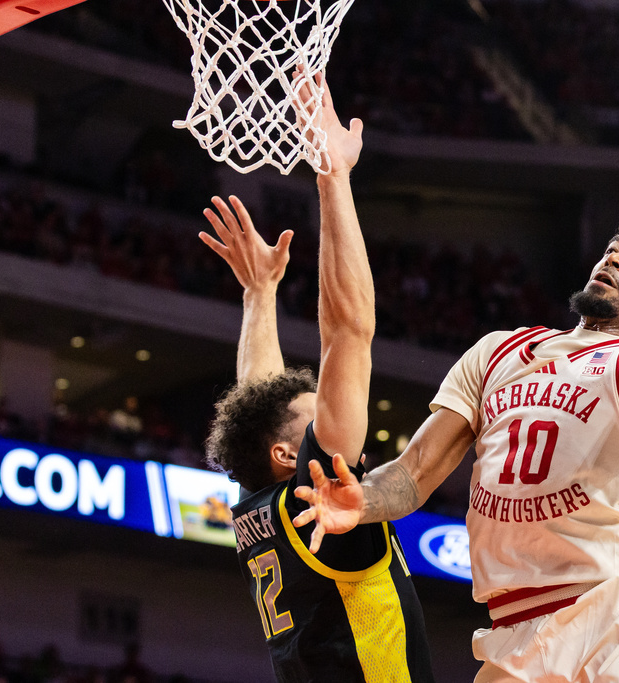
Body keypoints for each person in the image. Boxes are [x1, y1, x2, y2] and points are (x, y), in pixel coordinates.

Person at [295, 103, 619, 682]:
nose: (615, 256)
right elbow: (414, 472)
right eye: (615, 245)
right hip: (511, 636)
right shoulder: (500, 351)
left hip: (614, 615)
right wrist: (365, 501)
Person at [200, 72, 434, 683]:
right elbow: (348, 333)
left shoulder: (267, 506)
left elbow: (261, 398)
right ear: (287, 455)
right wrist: (332, 178)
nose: (329, 419)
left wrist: (261, 293)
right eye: (314, 415)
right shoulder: (311, 501)